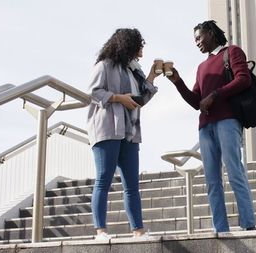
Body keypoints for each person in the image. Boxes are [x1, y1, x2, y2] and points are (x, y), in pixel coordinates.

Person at [166, 20, 256, 232]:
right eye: (194, 40)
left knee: (235, 172)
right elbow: (197, 101)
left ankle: (248, 225)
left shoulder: (232, 52)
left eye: (199, 37)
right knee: (212, 182)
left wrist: (215, 95)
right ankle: (221, 228)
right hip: (205, 127)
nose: (196, 42)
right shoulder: (201, 67)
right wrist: (178, 82)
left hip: (228, 121)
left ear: (211, 33)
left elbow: (244, 79)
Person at [87, 28, 160, 239]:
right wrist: (119, 98)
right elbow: (92, 92)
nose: (142, 49)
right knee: (104, 179)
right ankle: (100, 230)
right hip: (107, 128)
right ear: (127, 44)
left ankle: (138, 230)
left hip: (130, 132)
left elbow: (141, 100)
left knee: (132, 184)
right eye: (139, 44)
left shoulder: (133, 70)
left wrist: (152, 76)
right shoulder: (104, 66)